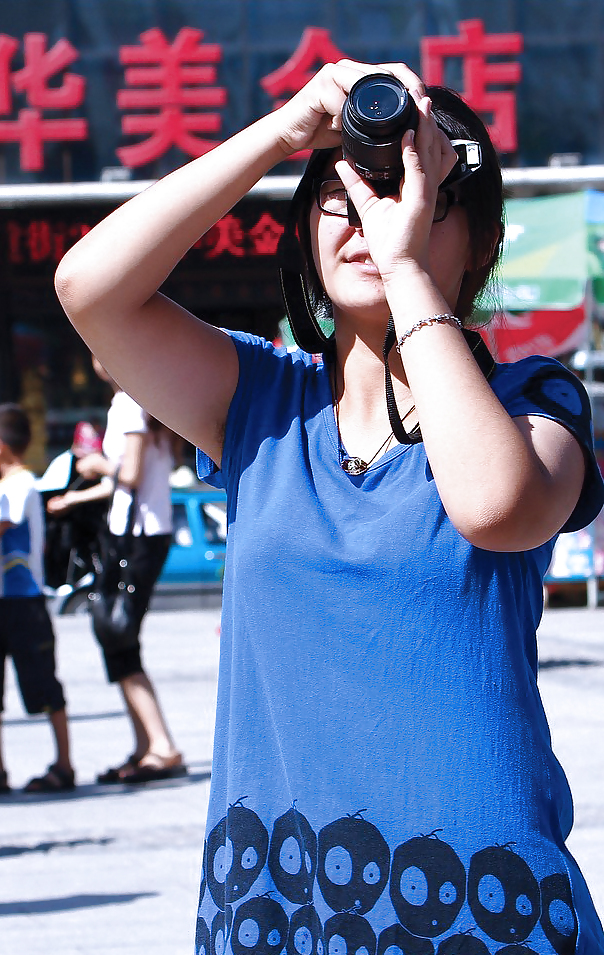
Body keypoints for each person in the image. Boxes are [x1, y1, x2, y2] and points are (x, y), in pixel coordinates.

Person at [53, 59, 604, 953]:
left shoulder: (532, 401)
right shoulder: (261, 402)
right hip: (279, 911)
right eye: (345, 193)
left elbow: (496, 505)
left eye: (422, 195)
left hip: (481, 919)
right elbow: (90, 289)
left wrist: (405, 268)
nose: (376, 215)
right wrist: (282, 131)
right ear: (306, 226)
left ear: (484, 245)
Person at [47, 357, 184, 784]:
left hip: (133, 537)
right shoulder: (155, 402)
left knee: (117, 636)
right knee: (119, 635)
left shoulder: (128, 404)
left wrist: (91, 467)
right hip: (147, 533)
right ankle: (147, 744)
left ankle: (160, 745)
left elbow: (129, 474)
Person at [0, 404, 75, 794]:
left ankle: (64, 764)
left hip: (22, 601)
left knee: (42, 683)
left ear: (0, 444)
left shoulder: (20, 485)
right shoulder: (3, 484)